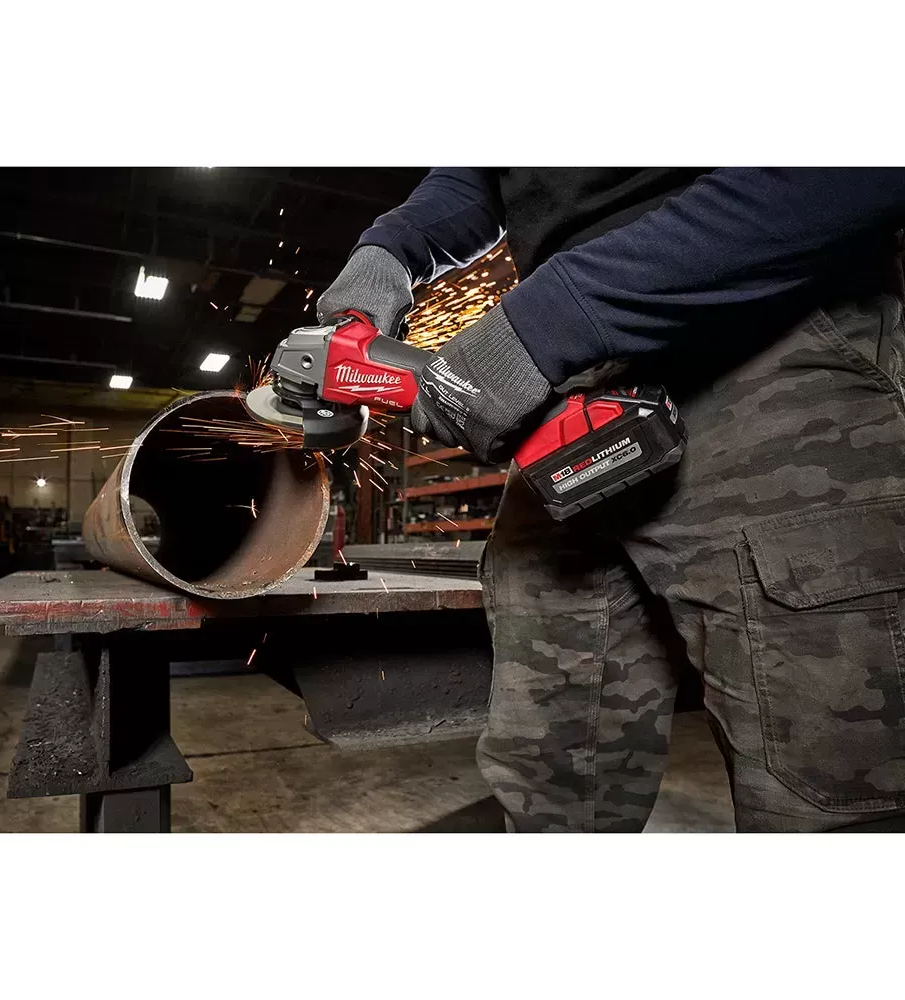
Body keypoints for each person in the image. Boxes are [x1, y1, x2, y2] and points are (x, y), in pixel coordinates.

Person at [318, 168, 905, 832]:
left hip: (771, 338)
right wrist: (391, 248)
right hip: (571, 388)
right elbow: (486, 171)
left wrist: (543, 323)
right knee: (548, 784)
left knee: (834, 783)